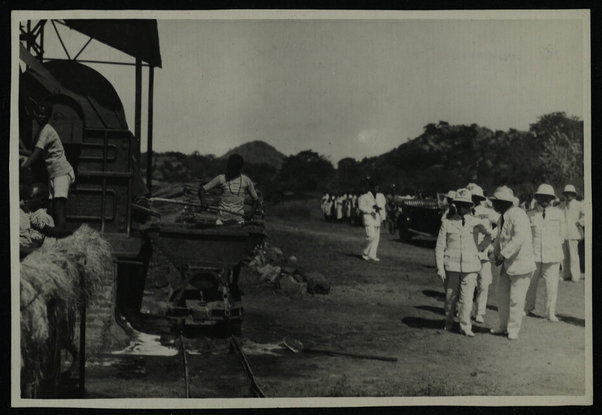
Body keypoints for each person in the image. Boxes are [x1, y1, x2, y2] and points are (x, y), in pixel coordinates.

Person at [435, 188, 491, 336]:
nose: (463, 208)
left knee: (466, 299)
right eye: (460, 204)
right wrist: (440, 268)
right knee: (450, 298)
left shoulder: (476, 222)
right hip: (451, 266)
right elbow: (440, 247)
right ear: (455, 205)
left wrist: (479, 250)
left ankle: (466, 327)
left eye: (466, 205)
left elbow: (489, 235)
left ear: (470, 206)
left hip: (470, 266)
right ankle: (448, 322)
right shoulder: (447, 223)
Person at [21, 102, 74, 237]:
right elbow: (34, 152)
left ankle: (65, 235)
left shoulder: (46, 130)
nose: (39, 116)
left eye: (43, 114)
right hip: (53, 174)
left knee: (59, 206)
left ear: (48, 116)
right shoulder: (41, 129)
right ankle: (56, 235)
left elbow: (36, 153)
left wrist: (22, 168)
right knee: (51, 207)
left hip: (61, 172)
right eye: (38, 113)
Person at [489, 186, 535, 340]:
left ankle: (513, 329)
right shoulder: (502, 217)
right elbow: (498, 239)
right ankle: (503, 326)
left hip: (521, 264)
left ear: (504, 202)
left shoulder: (519, 215)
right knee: (501, 296)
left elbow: (518, 239)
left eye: (496, 202)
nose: (494, 204)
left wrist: (503, 254)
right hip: (507, 265)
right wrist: (496, 254)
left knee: (516, 299)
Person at [524, 184, 566, 322]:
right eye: (542, 197)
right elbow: (527, 236)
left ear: (552, 199)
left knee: (552, 286)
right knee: (529, 283)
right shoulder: (530, 214)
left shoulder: (559, 213)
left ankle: (550, 312)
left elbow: (562, 235)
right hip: (534, 254)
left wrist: (553, 248)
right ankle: (527, 308)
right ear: (537, 198)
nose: (545, 200)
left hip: (552, 255)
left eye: (548, 197)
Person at [466, 183, 499, 324]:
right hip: (468, 253)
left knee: (484, 284)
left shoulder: (488, 212)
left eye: (476, 197)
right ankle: (464, 310)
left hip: (483, 253)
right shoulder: (463, 211)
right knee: (467, 284)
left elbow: (500, 224)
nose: (473, 200)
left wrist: (491, 241)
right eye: (471, 197)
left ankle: (479, 312)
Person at [199, 153, 259, 225]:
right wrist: (203, 201)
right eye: (229, 168)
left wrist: (251, 214)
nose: (230, 171)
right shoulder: (221, 178)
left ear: (240, 168)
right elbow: (202, 190)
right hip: (221, 220)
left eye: (233, 169)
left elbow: (256, 200)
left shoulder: (246, 180)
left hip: (239, 221)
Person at [559, 184, 585, 282]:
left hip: (574, 233)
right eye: (567, 193)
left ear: (574, 194)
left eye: (570, 193)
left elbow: (586, 215)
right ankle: (566, 274)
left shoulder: (579, 204)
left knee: (574, 255)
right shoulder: (562, 205)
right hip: (563, 234)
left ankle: (575, 275)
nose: (568, 195)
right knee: (564, 256)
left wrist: (579, 222)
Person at [358, 177, 386, 262]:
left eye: (378, 187)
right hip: (369, 218)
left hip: (377, 218)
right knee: (371, 236)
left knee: (376, 238)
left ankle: (372, 255)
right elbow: (361, 207)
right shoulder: (364, 196)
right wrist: (371, 209)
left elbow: (383, 204)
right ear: (371, 188)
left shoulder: (380, 196)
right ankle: (364, 252)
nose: (377, 188)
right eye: (375, 187)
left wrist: (382, 215)